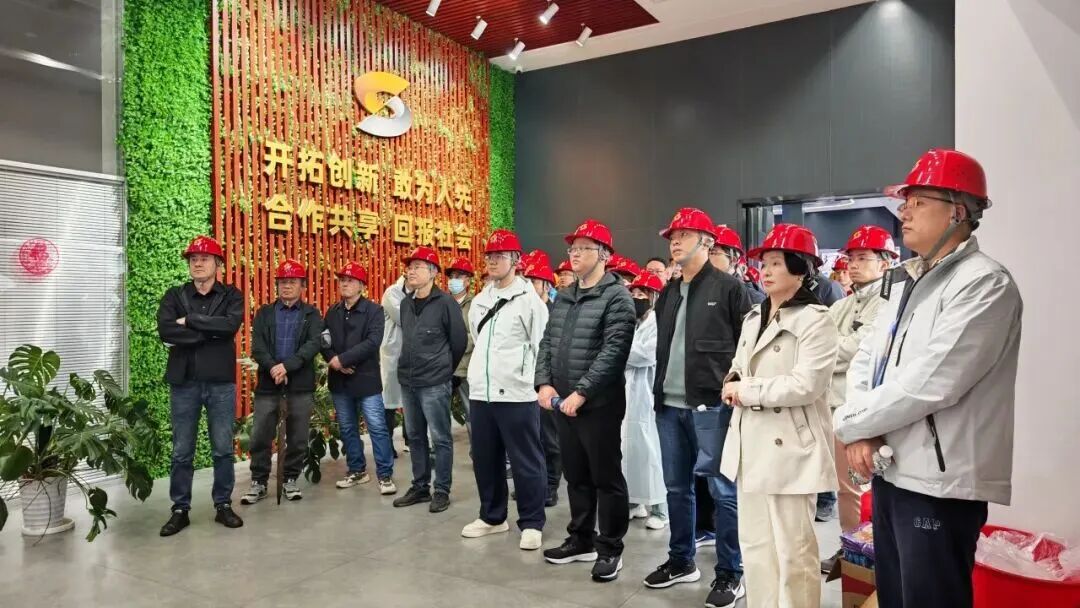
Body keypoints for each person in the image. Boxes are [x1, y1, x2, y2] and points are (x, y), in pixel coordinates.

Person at [835, 149, 1022, 608]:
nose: (905, 212)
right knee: (894, 596)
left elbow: (931, 382)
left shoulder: (985, 283)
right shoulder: (906, 281)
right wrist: (861, 429)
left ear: (957, 211)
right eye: (905, 202)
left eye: (918, 202)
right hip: (892, 470)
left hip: (940, 484)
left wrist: (851, 424)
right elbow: (868, 359)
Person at [720, 223, 839, 608]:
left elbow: (808, 384)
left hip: (790, 447)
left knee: (794, 551)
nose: (766, 271)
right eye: (764, 263)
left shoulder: (816, 318)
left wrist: (746, 390)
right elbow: (740, 363)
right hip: (749, 442)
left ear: (801, 268)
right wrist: (733, 378)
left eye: (776, 263)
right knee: (755, 546)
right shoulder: (754, 315)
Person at [645, 208, 750, 608]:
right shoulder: (670, 291)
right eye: (672, 236)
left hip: (711, 407)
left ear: (707, 242)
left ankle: (730, 572)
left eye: (684, 235)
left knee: (723, 491)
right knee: (676, 487)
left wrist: (734, 387)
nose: (675, 241)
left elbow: (746, 347)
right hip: (669, 405)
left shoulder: (729, 288)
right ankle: (681, 560)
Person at [537, 218, 636, 583]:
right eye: (572, 248)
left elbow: (614, 353)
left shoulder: (617, 297)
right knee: (576, 475)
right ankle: (581, 539)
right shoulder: (565, 295)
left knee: (605, 477)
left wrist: (582, 392)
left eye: (583, 248)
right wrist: (544, 384)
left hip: (598, 405)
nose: (575, 254)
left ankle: (610, 548)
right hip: (562, 402)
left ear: (604, 254)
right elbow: (548, 342)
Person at [461, 229, 551, 550]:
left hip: (517, 393)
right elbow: (477, 338)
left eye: (500, 255)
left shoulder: (529, 300)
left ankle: (532, 521)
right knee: (485, 458)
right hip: (482, 392)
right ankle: (492, 516)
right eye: (489, 255)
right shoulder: (480, 300)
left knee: (526, 460)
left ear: (515, 260)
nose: (493, 261)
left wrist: (536, 383)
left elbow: (542, 346)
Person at [156, 236, 244, 536]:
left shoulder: (231, 295)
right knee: (182, 450)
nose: (197, 263)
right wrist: (207, 332)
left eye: (204, 258)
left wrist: (190, 320)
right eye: (193, 259)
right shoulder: (174, 295)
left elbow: (229, 326)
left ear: (217, 264)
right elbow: (165, 330)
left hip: (220, 383)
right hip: (184, 383)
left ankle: (223, 505)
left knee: (222, 448)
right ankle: (180, 509)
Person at [821, 226, 896, 569]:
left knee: (861, 485)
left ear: (885, 263)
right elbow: (819, 347)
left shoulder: (889, 304)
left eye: (863, 258)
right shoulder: (843, 303)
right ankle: (852, 547)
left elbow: (856, 351)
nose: (853, 265)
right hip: (835, 406)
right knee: (847, 486)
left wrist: (829, 351)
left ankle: (863, 552)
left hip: (865, 409)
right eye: (851, 258)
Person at [392, 246, 468, 514]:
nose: (411, 271)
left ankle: (442, 490)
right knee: (414, 436)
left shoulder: (446, 303)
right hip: (409, 380)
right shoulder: (405, 303)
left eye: (418, 267)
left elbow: (459, 342)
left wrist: (444, 370)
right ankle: (420, 486)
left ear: (433, 272)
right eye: (409, 267)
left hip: (435, 382)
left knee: (440, 438)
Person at [245, 259, 325, 504]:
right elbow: (258, 346)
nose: (287, 286)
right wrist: (273, 367)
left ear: (302, 285)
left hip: (300, 385)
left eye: (292, 282)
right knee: (260, 435)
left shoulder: (312, 315)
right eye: (282, 282)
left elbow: (313, 344)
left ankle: (290, 478)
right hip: (268, 384)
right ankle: (259, 482)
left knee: (298, 436)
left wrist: (287, 366)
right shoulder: (265, 313)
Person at [322, 262, 395, 495]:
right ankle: (357, 470)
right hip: (340, 380)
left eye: (350, 280)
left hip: (366, 380)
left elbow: (373, 342)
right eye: (342, 280)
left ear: (361, 286)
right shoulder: (333, 311)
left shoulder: (374, 311)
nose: (344, 284)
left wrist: (343, 360)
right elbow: (323, 341)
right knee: (347, 428)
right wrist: (334, 360)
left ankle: (385, 475)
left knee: (377, 427)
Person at [623, 272, 668, 531]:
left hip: (648, 396)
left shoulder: (659, 323)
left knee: (652, 452)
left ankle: (660, 509)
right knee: (630, 452)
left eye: (643, 294)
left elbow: (645, 354)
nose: (637, 298)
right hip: (629, 395)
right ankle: (634, 502)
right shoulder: (633, 324)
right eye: (634, 294)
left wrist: (619, 350)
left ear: (655, 297)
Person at [445, 256, 476, 439]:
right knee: (440, 414)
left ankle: (478, 451)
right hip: (443, 368)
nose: (453, 280)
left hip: (466, 368)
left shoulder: (476, 304)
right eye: (451, 276)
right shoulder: (442, 303)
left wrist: (455, 344)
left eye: (458, 276)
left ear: (467, 280)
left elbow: (476, 335)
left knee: (472, 413)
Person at [380, 275, 409, 454]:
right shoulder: (392, 293)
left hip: (412, 352)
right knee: (389, 402)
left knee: (411, 400)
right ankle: (387, 443)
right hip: (392, 352)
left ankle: (410, 439)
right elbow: (402, 317)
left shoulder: (420, 292)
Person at [712, 225, 765, 306]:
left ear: (733, 260)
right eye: (706, 251)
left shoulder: (751, 298)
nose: (706, 257)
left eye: (713, 253)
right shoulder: (703, 289)